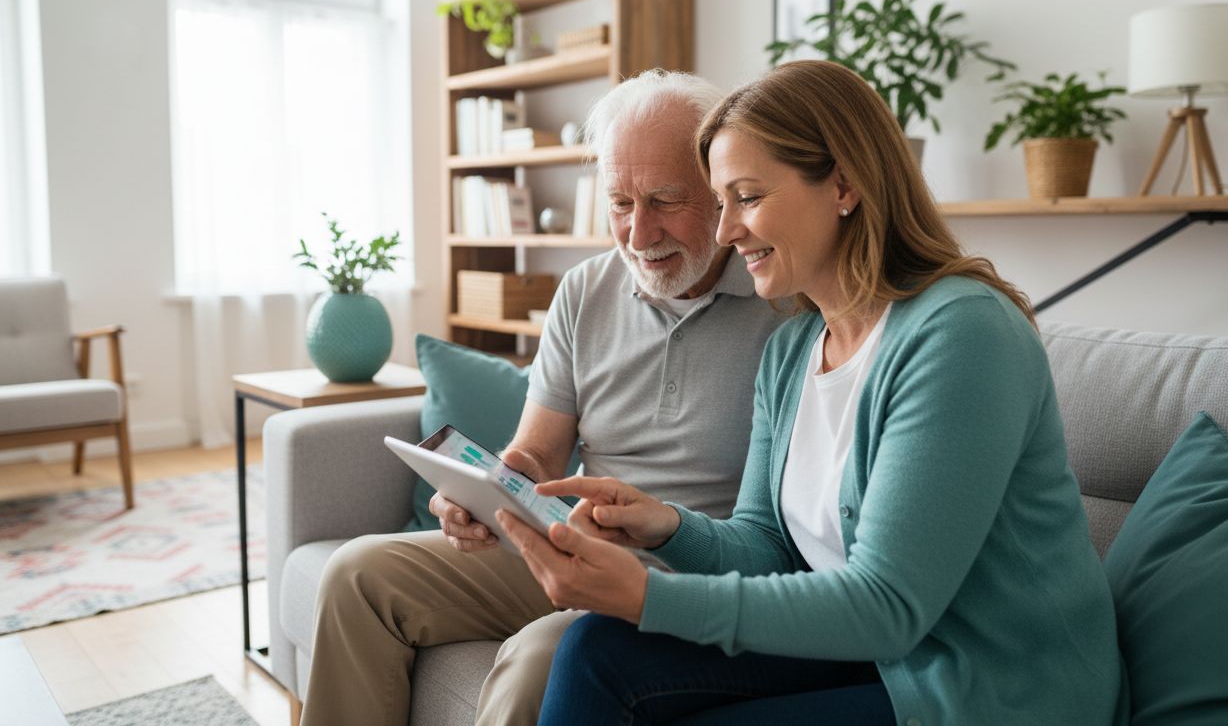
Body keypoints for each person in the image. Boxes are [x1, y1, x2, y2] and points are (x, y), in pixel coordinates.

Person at [497, 60, 1129, 725]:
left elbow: (888, 605)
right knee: (596, 647)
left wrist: (646, 597)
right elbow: (765, 544)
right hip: (866, 653)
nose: (725, 231)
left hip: (983, 683)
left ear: (844, 186)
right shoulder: (793, 349)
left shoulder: (962, 335)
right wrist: (666, 525)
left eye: (746, 196)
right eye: (721, 201)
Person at [300, 70, 785, 726]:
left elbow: (774, 540)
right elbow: (537, 450)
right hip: (569, 543)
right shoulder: (586, 290)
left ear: (720, 189)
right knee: (356, 575)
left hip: (691, 581)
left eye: (665, 200)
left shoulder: (783, 305)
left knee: (540, 660)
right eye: (619, 203)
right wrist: (483, 491)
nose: (638, 235)